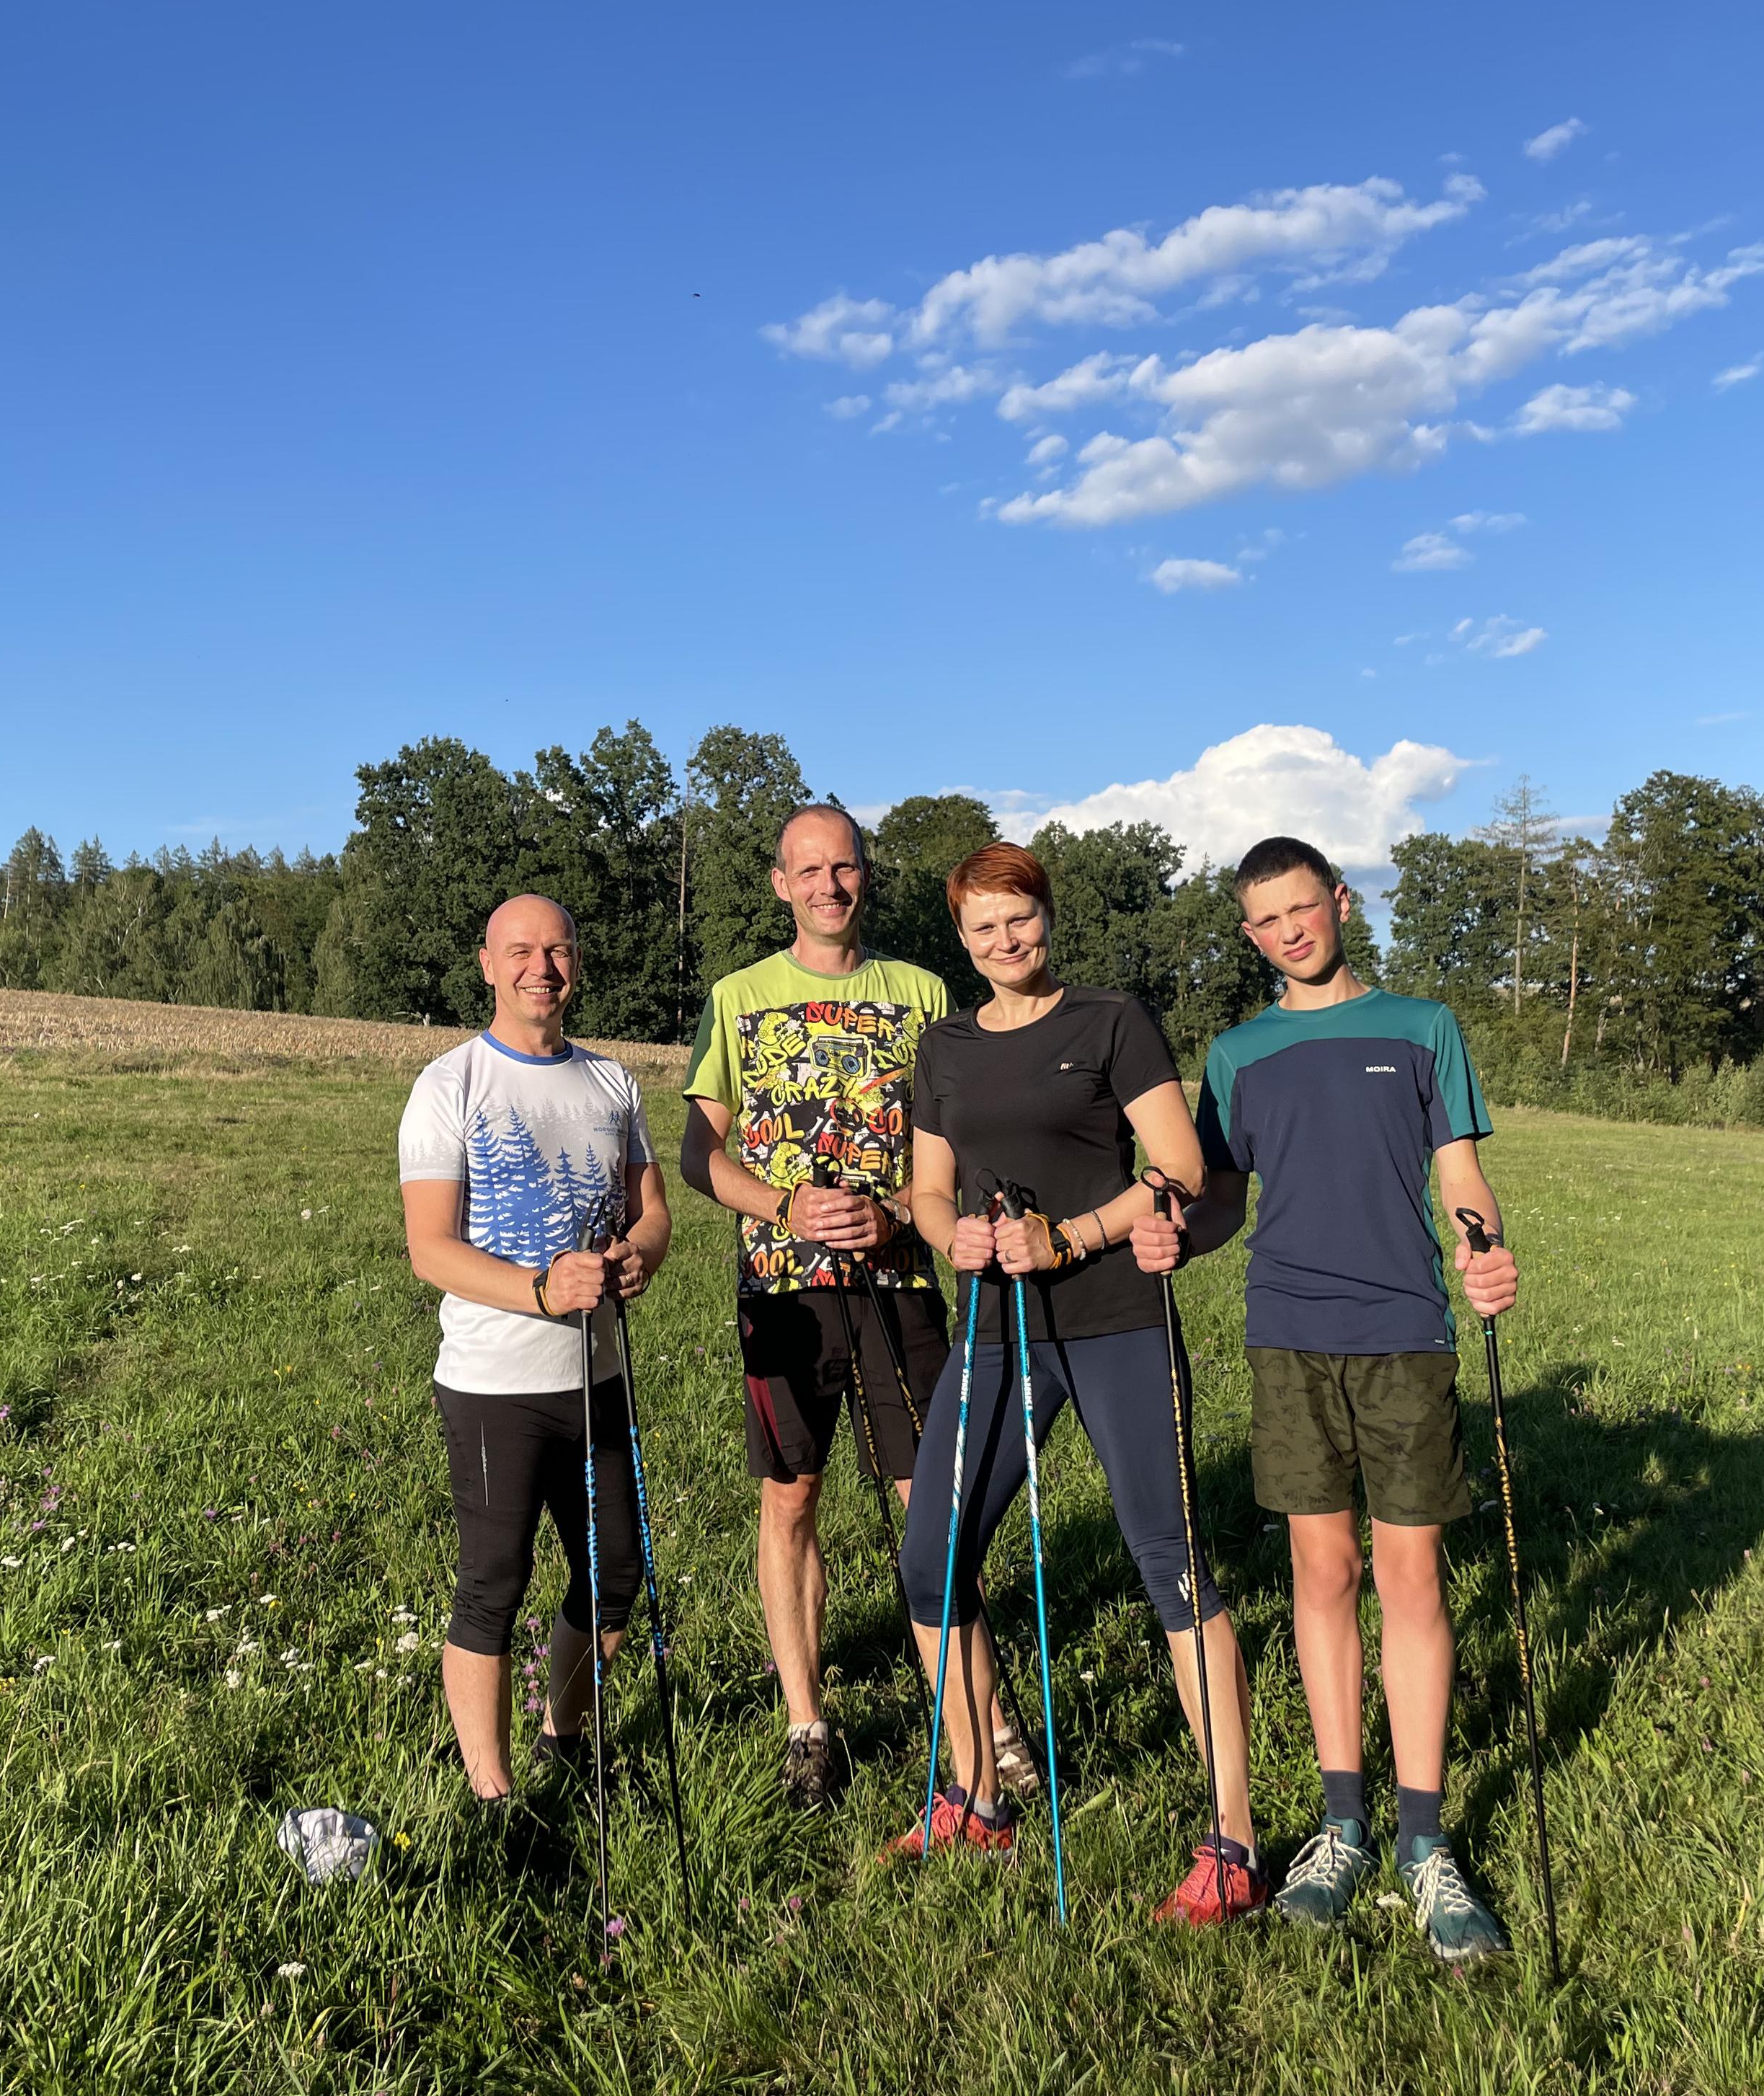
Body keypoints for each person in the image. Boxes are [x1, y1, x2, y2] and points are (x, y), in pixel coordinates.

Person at [1133, 835, 1523, 1963]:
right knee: (1322, 1571)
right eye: (1264, 921)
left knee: (1410, 1574)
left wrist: (1484, 1255)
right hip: (1287, 1338)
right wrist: (1172, 1234)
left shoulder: (1423, 1028)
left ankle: (1424, 1840)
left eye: (1302, 909)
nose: (1287, 933)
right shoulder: (1240, 1053)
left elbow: (1461, 1176)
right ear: (1250, 933)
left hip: (1403, 1334)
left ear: (1340, 903)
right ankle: (1340, 1825)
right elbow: (1218, 1202)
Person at [884, 841, 1265, 1923]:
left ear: (1048, 919)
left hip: (1112, 1322)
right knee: (932, 1561)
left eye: (1022, 921)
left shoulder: (1110, 1021)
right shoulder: (944, 1046)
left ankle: (1233, 1842)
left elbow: (1181, 1170)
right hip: (995, 1331)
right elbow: (926, 1187)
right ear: (960, 940)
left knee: (1168, 1560)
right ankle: (978, 1794)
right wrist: (948, 1233)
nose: (1006, 942)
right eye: (984, 928)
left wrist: (1073, 1236)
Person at [681, 803, 1031, 1810]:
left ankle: (986, 1721)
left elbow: (956, 1139)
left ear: (863, 879)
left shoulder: (920, 993)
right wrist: (786, 1201)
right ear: (781, 884)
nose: (830, 885)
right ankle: (806, 1723)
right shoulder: (739, 996)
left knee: (935, 1508)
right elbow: (701, 1153)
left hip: (901, 1281)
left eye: (846, 868)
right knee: (790, 1500)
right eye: (810, 870)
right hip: (782, 1291)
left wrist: (897, 1213)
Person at [399, 894, 671, 1815]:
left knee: (615, 1571)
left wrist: (640, 1256)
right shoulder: (452, 1084)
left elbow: (654, 1213)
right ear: (486, 964)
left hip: (597, 1375)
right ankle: (492, 1794)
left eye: (555, 951)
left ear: (577, 964)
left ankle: (564, 1740)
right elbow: (428, 1246)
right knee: (495, 1583)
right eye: (519, 952)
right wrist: (541, 1292)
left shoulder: (611, 1083)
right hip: (494, 1383)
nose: (539, 969)